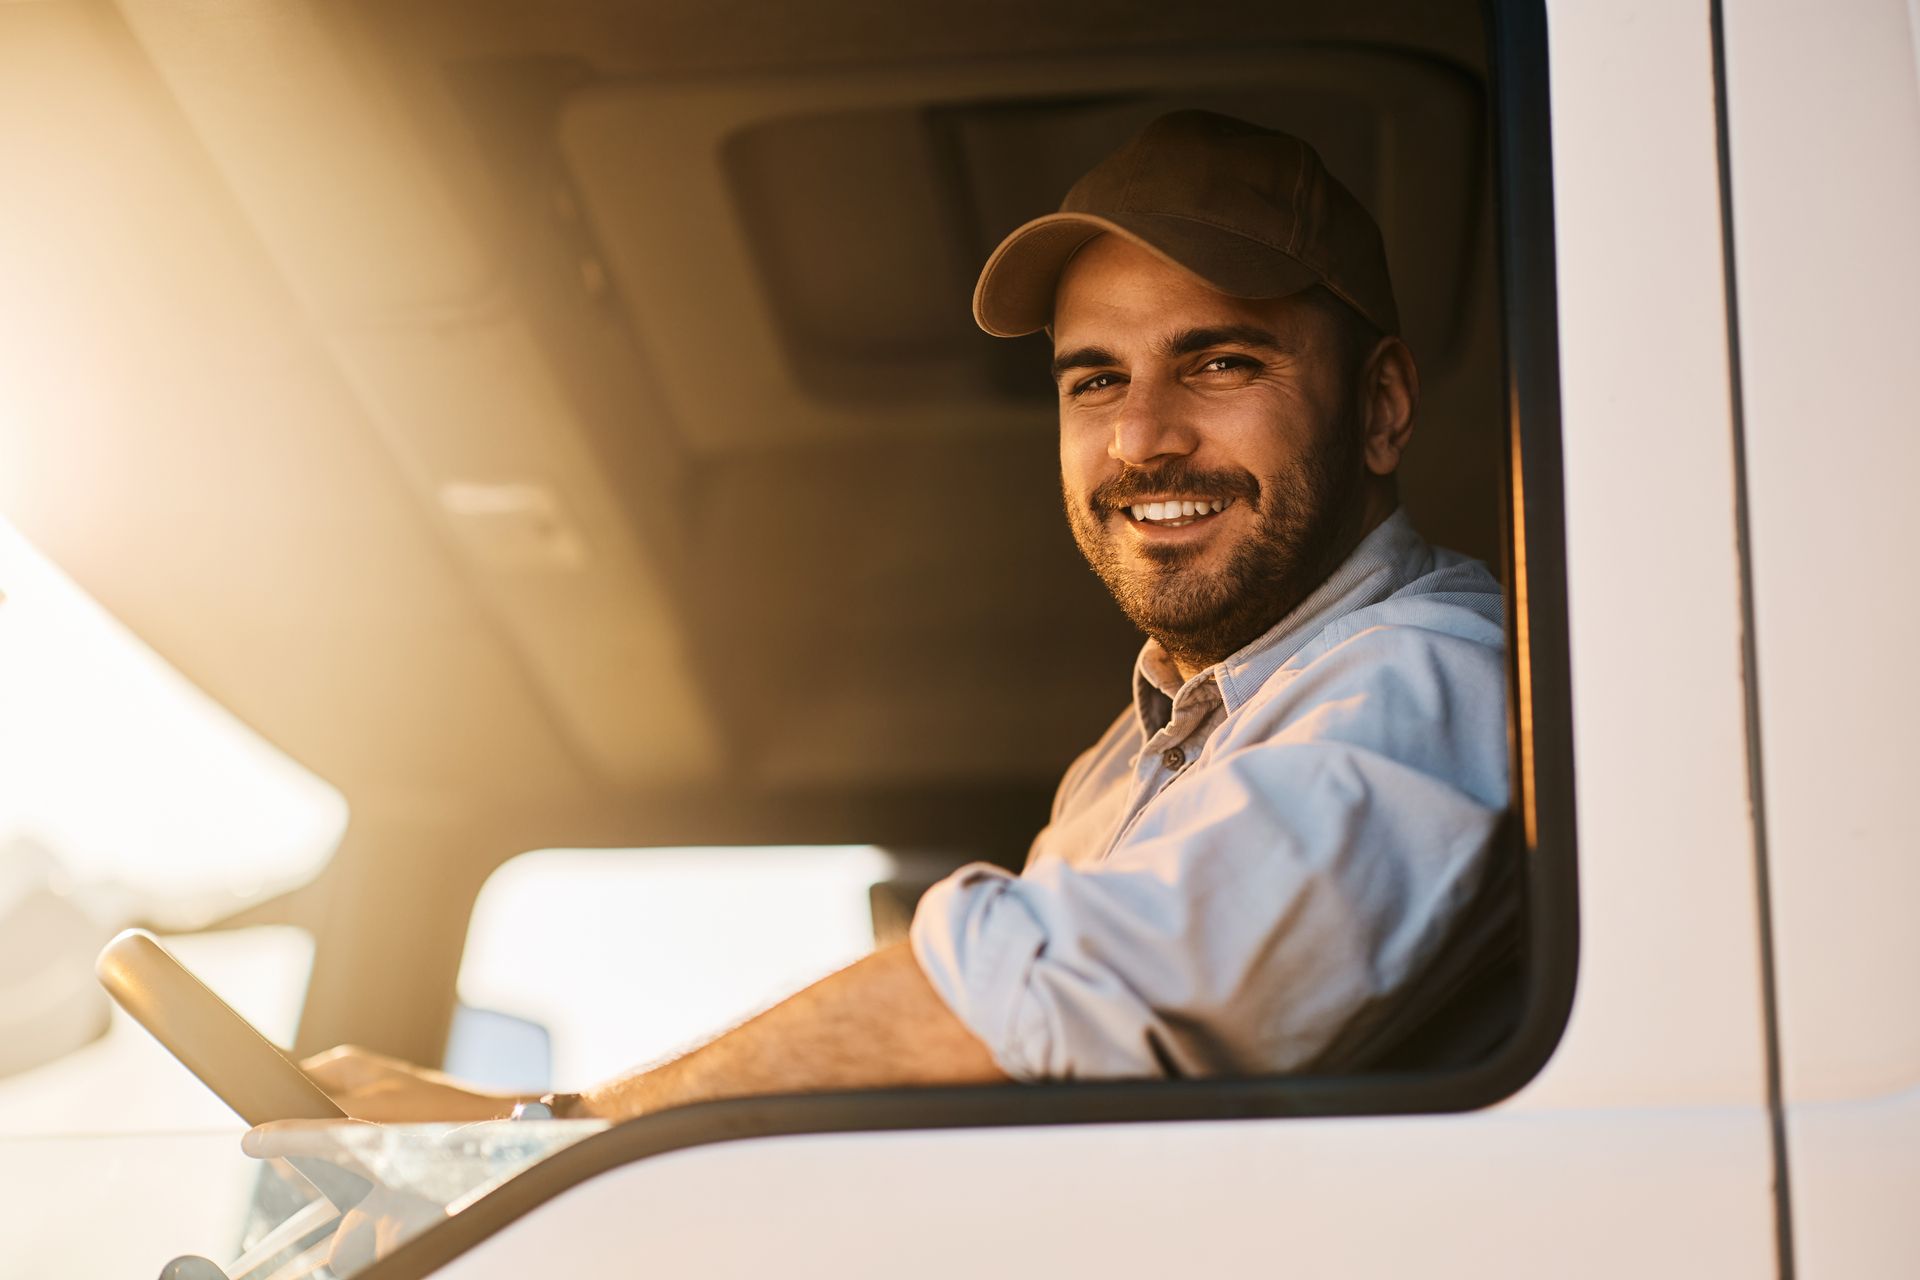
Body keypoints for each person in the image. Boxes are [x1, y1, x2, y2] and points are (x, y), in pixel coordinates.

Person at [266, 109, 1507, 1126]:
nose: (1140, 437)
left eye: (1221, 361)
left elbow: (1061, 987)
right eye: (1095, 379)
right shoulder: (1135, 755)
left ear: (1383, 406)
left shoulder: (1432, 674)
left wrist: (542, 1134)